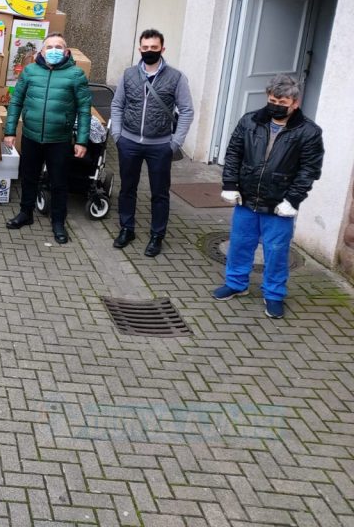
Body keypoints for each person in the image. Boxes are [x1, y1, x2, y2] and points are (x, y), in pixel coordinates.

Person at [213, 74, 323, 319]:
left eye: (282, 102)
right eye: (273, 99)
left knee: (276, 251)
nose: (276, 105)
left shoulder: (309, 132)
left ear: (295, 103)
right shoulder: (249, 121)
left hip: (279, 204)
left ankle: (273, 294)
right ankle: (236, 283)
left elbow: (309, 169)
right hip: (247, 198)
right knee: (240, 244)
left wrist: (292, 200)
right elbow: (234, 153)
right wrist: (230, 183)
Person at [109, 28, 194, 257]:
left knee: (160, 193)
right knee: (127, 189)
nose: (149, 51)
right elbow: (117, 105)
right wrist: (117, 135)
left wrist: (175, 143)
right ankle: (127, 229)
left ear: (162, 49)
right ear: (140, 49)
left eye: (154, 48)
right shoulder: (128, 74)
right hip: (129, 141)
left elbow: (186, 110)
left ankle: (157, 235)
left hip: (160, 146)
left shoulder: (176, 77)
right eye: (145, 48)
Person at [2, 33, 91, 244]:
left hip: (59, 139)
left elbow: (85, 109)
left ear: (66, 52)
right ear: (41, 52)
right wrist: (10, 131)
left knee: (59, 182)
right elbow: (16, 102)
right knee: (29, 177)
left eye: (58, 47)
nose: (53, 51)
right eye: (49, 47)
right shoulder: (30, 71)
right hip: (32, 136)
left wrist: (82, 140)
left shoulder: (76, 75)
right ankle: (26, 213)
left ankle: (58, 221)